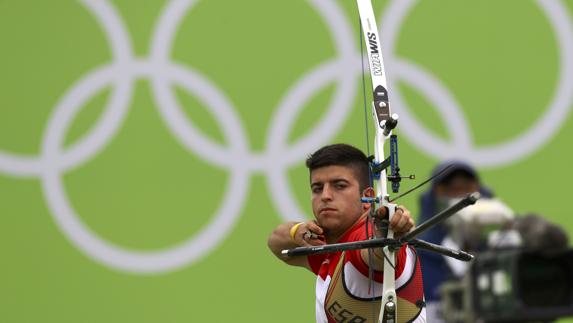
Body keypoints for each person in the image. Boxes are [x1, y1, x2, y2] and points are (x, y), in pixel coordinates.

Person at [267, 143, 426, 322]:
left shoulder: (362, 238)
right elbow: (275, 242)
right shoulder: (326, 244)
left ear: (367, 198)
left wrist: (387, 235)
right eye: (317, 188)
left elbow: (375, 254)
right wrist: (296, 230)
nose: (325, 195)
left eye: (339, 186)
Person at [416, 160, 493, 322]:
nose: (459, 195)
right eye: (450, 189)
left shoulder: (500, 250)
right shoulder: (414, 257)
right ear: (433, 198)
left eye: (467, 188)